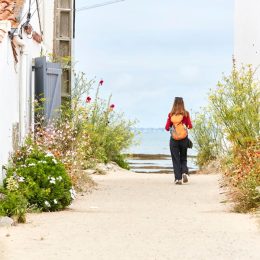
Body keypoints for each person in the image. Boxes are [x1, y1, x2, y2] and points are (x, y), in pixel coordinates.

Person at [165, 97, 193, 185]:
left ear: (174, 103)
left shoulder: (171, 114)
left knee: (175, 159)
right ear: (182, 103)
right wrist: (184, 126)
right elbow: (190, 126)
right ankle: (184, 172)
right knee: (183, 157)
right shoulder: (186, 114)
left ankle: (178, 179)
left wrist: (173, 126)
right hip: (184, 139)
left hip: (174, 140)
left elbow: (166, 128)